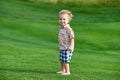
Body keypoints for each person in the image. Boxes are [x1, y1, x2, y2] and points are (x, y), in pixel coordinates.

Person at [57, 10, 74, 75]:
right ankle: (62, 70)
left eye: (64, 19)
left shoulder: (68, 29)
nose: (62, 21)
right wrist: (59, 46)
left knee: (66, 60)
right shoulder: (61, 28)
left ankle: (67, 72)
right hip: (62, 47)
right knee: (61, 60)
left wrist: (71, 46)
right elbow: (60, 39)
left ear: (68, 20)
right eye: (60, 19)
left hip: (67, 47)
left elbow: (72, 38)